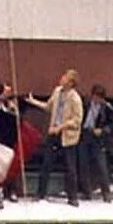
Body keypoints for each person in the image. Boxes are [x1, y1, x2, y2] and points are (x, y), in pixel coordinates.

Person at [27, 68, 83, 206]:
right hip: (53, 133)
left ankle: (72, 197)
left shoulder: (75, 98)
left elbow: (77, 121)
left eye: (65, 77)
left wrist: (61, 127)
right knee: (46, 164)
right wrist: (33, 101)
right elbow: (49, 107)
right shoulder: (57, 92)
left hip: (67, 137)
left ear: (71, 83)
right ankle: (40, 193)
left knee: (70, 167)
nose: (62, 78)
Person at [77, 84, 113, 203]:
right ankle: (86, 191)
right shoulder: (85, 104)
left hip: (97, 138)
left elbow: (112, 125)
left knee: (101, 165)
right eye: (95, 97)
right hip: (84, 134)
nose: (96, 100)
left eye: (99, 98)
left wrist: (103, 130)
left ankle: (106, 192)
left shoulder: (108, 108)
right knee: (83, 164)